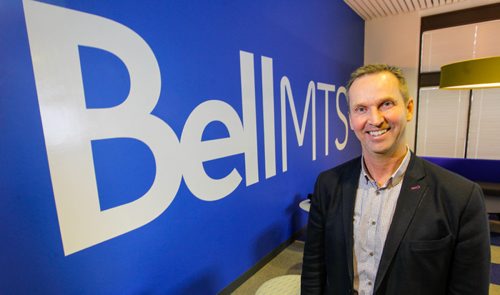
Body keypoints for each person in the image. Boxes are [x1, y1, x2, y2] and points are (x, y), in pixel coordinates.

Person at [301, 64, 490, 294]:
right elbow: (313, 270)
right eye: (361, 109)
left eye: (386, 104)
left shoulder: (460, 197)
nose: (375, 119)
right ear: (350, 119)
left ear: (409, 109)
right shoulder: (328, 185)